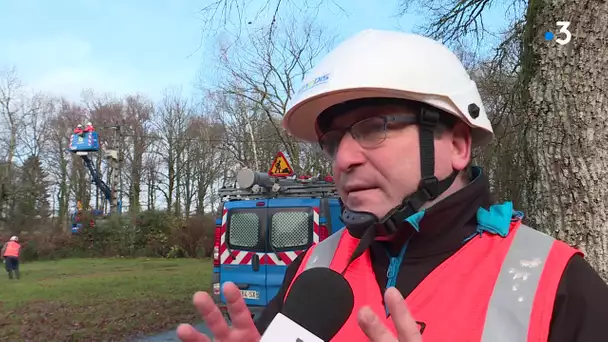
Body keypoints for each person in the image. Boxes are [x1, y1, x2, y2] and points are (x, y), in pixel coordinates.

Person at [177, 29, 608, 342]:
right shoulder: (313, 269)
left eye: (372, 128)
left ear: (457, 144)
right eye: (333, 142)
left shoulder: (557, 285)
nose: (343, 159)